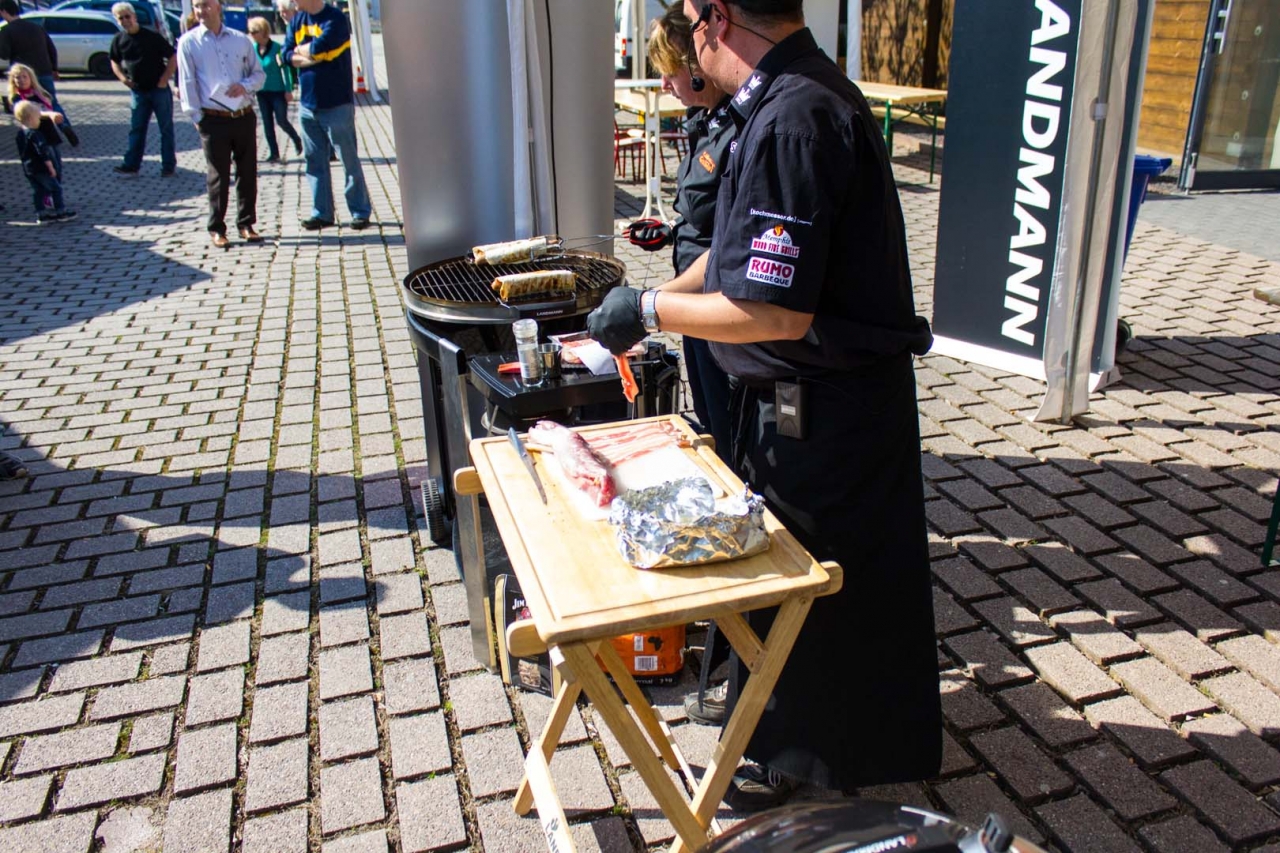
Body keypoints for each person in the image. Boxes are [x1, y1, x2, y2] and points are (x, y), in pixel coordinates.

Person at [587, 0, 941, 811]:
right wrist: (656, 299)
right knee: (803, 587)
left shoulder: (796, 117)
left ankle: (796, 764)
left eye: (688, 18)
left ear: (716, 19)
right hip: (804, 397)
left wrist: (649, 312)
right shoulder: (788, 98)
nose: (687, 39)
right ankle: (798, 742)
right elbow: (734, 252)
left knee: (815, 591)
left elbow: (773, 311)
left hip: (831, 404)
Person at [628, 5, 737, 726]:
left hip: (716, 308)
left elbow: (730, 243)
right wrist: (668, 231)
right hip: (689, 300)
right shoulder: (704, 122)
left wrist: (656, 303)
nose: (666, 84)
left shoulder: (739, 126)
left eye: (672, 71)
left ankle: (734, 629)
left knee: (728, 445)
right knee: (716, 432)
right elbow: (702, 219)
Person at [177, 0, 265, 248]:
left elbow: (258, 74)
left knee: (247, 171)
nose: (201, 10)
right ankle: (217, 227)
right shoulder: (189, 42)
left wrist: (244, 86)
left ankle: (246, 223)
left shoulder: (240, 39)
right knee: (218, 175)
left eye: (206, 5)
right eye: (197, 6)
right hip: (213, 118)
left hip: (242, 115)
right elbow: (187, 82)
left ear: (218, 7)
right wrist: (196, 117)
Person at [283, 0, 371, 230]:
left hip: (336, 104)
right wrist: (310, 54)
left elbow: (320, 47)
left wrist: (303, 52)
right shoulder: (297, 21)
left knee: (348, 160)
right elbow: (285, 55)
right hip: (307, 105)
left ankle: (360, 211)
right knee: (314, 161)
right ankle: (321, 213)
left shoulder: (336, 19)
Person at [110, 2, 178, 177]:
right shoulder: (119, 39)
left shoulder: (152, 36)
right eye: (121, 18)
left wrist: (164, 79)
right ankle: (131, 165)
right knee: (137, 129)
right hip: (138, 91)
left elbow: (172, 57)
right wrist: (123, 79)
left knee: (165, 129)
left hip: (159, 90)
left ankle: (168, 166)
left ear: (135, 16)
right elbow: (114, 61)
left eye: (128, 16)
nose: (125, 20)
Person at [0, 0, 77, 145]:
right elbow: (51, 48)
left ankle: (36, 134)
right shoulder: (36, 27)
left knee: (26, 104)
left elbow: (4, 54)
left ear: (4, 11)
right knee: (50, 100)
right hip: (44, 70)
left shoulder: (7, 30)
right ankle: (64, 125)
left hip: (23, 75)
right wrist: (54, 68)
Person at [247, 16, 301, 163]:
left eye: (255, 31)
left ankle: (296, 139)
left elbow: (286, 70)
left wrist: (288, 89)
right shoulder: (253, 49)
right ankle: (274, 152)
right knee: (267, 123)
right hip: (262, 92)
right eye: (250, 32)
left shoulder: (277, 48)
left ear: (263, 31)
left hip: (277, 91)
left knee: (281, 120)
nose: (252, 35)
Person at [14, 100, 75, 223]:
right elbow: (42, 151)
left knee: (38, 191)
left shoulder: (20, 134)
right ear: (31, 118)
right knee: (56, 188)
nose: (39, 121)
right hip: (41, 167)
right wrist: (51, 167)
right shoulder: (35, 134)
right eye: (38, 118)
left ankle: (41, 214)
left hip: (29, 169)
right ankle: (61, 211)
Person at [8, 64, 66, 187]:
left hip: (49, 132)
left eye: (24, 77)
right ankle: (50, 190)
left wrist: (52, 113)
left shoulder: (39, 93)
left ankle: (57, 189)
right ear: (13, 80)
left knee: (57, 164)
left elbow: (49, 105)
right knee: (48, 164)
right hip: (36, 135)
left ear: (31, 78)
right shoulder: (17, 98)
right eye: (17, 77)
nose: (21, 80)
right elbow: (34, 112)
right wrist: (49, 114)